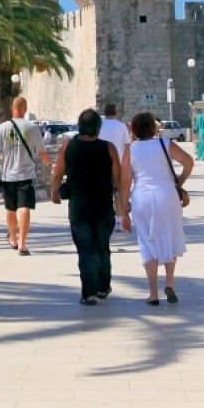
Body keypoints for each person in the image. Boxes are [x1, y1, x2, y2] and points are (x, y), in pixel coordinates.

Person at [121, 111, 195, 305]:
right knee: (169, 237)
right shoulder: (165, 144)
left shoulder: (130, 150)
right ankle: (169, 283)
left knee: (146, 242)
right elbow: (188, 161)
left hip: (142, 198)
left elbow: (125, 183)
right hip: (167, 194)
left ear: (134, 130)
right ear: (154, 128)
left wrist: (123, 212)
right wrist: (179, 180)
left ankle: (153, 293)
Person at [52, 109, 123, 305]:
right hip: (103, 206)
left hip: (79, 207)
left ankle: (89, 293)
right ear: (98, 128)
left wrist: (54, 192)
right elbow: (118, 178)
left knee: (85, 249)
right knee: (102, 247)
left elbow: (57, 174)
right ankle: (103, 286)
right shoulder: (108, 148)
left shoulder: (69, 146)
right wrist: (122, 201)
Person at [0, 96, 51, 255]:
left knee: (10, 209)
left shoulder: (3, 128)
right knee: (25, 208)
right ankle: (22, 242)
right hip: (26, 176)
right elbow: (42, 153)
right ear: (25, 109)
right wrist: (50, 163)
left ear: (12, 109)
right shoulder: (32, 128)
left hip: (8, 177)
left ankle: (13, 238)